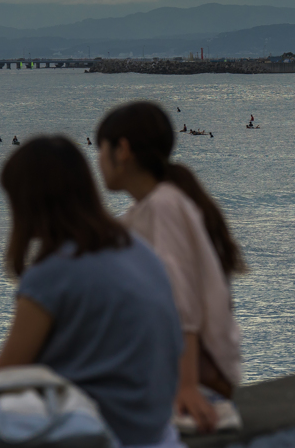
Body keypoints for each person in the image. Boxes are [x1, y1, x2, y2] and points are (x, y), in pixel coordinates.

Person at [0, 137, 184, 448]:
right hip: (153, 427)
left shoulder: (55, 272)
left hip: (101, 429)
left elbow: (5, 374)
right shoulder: (138, 250)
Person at [97, 102, 245, 435]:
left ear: (122, 150)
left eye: (100, 148)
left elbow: (182, 301)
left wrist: (187, 386)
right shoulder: (152, 207)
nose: (98, 160)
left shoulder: (164, 206)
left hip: (196, 373)